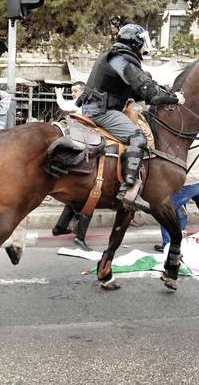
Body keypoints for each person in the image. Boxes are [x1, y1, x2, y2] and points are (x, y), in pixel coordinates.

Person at [82, 23, 184, 209]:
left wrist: (160, 90)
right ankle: (128, 189)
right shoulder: (123, 60)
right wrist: (174, 98)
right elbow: (149, 93)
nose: (144, 45)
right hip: (102, 111)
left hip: (94, 108)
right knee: (138, 138)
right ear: (135, 42)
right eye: (142, 41)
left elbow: (137, 93)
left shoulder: (115, 56)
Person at [52, 82, 94, 250]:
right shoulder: (83, 105)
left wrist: (59, 95)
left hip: (84, 151)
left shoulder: (84, 104)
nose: (74, 94)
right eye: (72, 91)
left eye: (76, 91)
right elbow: (65, 105)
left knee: (78, 197)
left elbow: (65, 105)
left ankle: (61, 226)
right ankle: (78, 236)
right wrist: (59, 96)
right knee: (89, 198)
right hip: (85, 154)